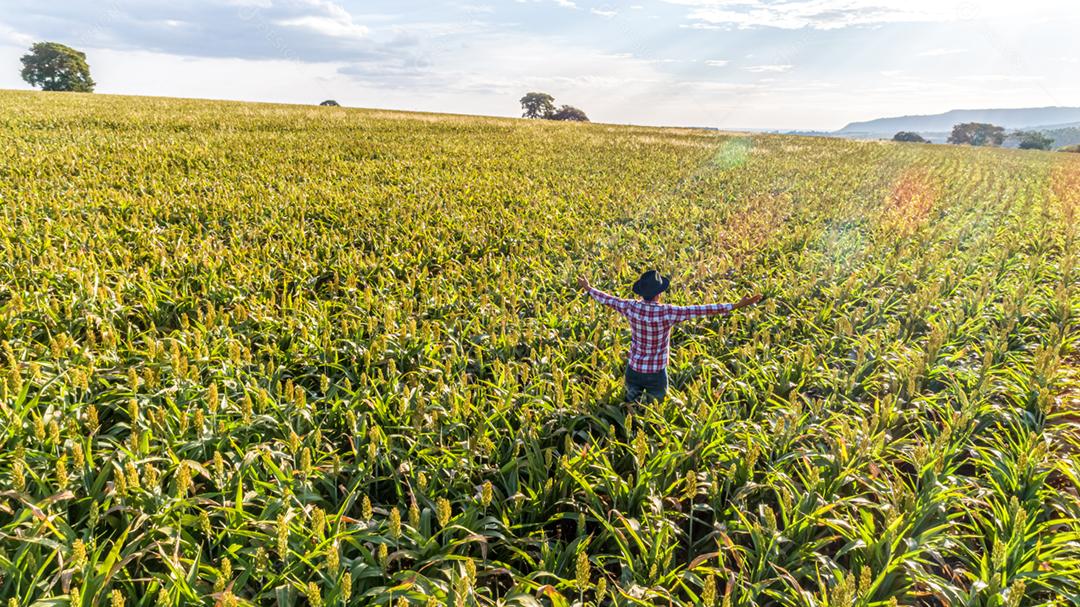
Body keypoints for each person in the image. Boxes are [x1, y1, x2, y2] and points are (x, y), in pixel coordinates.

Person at [578, 270, 762, 402]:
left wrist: (589, 288)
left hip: (634, 368)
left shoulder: (629, 307)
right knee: (656, 407)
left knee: (629, 402)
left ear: (642, 293)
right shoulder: (668, 313)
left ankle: (629, 428)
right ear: (659, 294)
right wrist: (735, 305)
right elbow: (700, 310)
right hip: (657, 372)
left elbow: (607, 299)